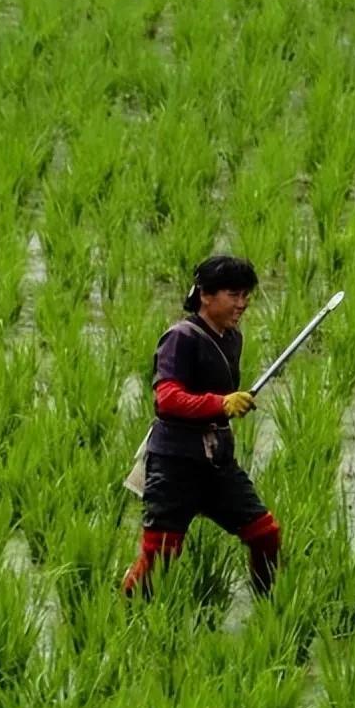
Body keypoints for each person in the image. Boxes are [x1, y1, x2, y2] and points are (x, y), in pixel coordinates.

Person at [121, 256, 282, 599]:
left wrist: (227, 403)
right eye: (234, 295)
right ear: (206, 296)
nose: (243, 303)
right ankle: (125, 614)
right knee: (160, 557)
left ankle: (270, 608)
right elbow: (167, 399)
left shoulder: (232, 338)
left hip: (216, 463)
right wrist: (221, 404)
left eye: (246, 295)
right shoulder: (180, 338)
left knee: (265, 534)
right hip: (174, 464)